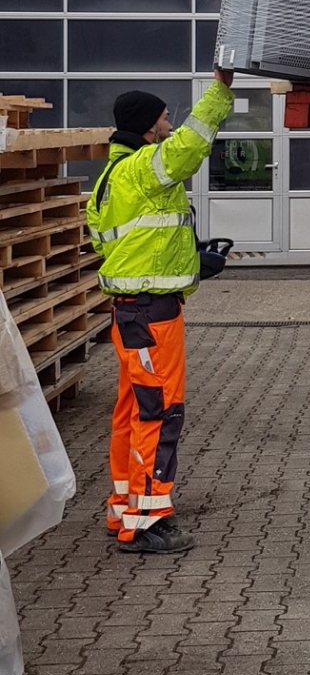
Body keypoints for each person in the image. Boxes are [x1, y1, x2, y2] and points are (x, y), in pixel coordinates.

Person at [86, 68, 235, 554]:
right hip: (152, 317)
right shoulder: (143, 168)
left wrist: (193, 261)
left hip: (132, 312)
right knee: (161, 413)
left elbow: (130, 246)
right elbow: (191, 147)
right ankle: (146, 522)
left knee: (132, 411)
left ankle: (124, 507)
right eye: (166, 117)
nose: (172, 123)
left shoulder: (110, 178)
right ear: (149, 126)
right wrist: (222, 89)